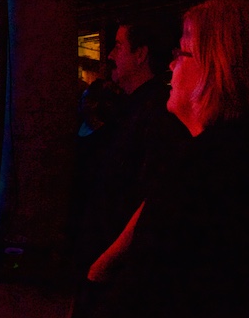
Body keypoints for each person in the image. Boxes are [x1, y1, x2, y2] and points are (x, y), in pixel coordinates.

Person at [78, 0, 249, 318]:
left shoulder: (211, 165)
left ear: (215, 66)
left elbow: (159, 286)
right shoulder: (240, 152)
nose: (172, 66)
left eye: (182, 53)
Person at [73, 18, 188, 274]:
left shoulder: (156, 112)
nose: (111, 55)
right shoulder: (129, 108)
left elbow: (149, 199)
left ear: (141, 55)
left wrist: (107, 261)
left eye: (118, 46)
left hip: (119, 266)